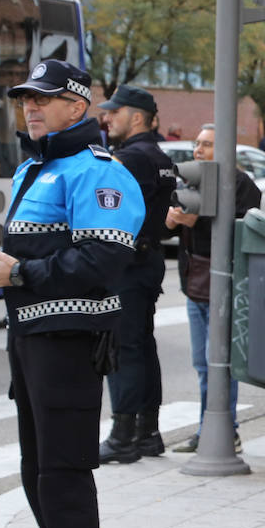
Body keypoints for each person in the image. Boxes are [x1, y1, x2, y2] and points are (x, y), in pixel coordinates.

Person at [0, 59, 144, 528]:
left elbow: (102, 264)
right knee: (37, 473)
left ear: (79, 105)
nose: (30, 108)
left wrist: (22, 273)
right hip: (30, 341)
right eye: (24, 100)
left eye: (43, 99)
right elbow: (34, 266)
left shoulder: (97, 173)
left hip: (69, 344)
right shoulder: (31, 169)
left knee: (64, 476)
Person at [93, 85, 176, 464]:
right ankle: (148, 433)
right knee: (141, 346)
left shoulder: (130, 158)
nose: (107, 118)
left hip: (128, 263)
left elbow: (117, 212)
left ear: (137, 117)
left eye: (115, 112)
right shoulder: (157, 154)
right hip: (147, 259)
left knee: (123, 349)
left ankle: (124, 435)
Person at [167, 124, 261, 453]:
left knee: (218, 362)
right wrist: (173, 220)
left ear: (226, 149)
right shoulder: (192, 179)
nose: (198, 150)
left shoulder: (241, 184)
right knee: (201, 362)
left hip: (226, 286)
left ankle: (223, 427)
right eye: (197, 144)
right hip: (195, 283)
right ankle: (208, 426)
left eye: (207, 145)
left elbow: (241, 231)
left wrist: (200, 220)